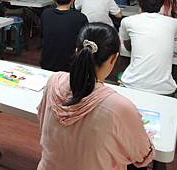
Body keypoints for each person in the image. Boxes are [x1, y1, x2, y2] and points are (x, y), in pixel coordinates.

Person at [38, 23, 155, 170]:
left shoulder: (54, 80)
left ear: (76, 51)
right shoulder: (119, 107)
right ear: (113, 59)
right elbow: (143, 156)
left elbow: (42, 121)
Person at [119, 0, 177, 95]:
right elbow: (174, 49)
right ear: (162, 3)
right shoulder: (174, 23)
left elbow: (127, 47)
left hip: (132, 84)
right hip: (165, 90)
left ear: (139, 2)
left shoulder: (128, 21)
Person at [41, 0, 88, 72]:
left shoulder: (46, 13)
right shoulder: (80, 18)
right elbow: (84, 43)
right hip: (70, 67)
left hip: (47, 64)